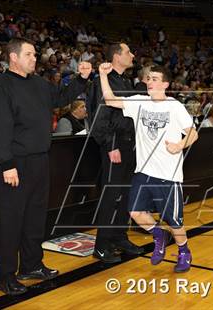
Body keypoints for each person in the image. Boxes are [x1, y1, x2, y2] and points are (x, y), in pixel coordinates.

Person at [0, 38, 92, 295]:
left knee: (35, 217)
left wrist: (81, 78)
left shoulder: (39, 84)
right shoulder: (1, 88)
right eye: (30, 54)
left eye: (35, 54)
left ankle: (31, 265)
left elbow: (62, 97)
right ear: (13, 57)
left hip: (40, 160)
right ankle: (4, 276)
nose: (35, 58)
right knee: (12, 221)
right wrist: (6, 164)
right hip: (14, 164)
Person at [99, 63, 198, 273]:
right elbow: (109, 99)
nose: (149, 82)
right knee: (135, 212)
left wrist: (180, 145)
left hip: (168, 175)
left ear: (165, 84)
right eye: (148, 78)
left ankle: (184, 251)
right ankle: (158, 234)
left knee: (174, 221)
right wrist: (102, 74)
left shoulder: (174, 106)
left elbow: (193, 132)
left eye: (154, 79)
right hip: (143, 171)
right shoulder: (139, 102)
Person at [87, 42, 142, 263]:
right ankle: (101, 245)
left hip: (128, 144)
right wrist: (110, 145)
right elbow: (98, 116)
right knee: (111, 195)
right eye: (128, 52)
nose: (132, 54)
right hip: (114, 144)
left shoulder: (125, 81)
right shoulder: (102, 81)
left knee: (125, 194)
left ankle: (119, 237)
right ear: (116, 57)